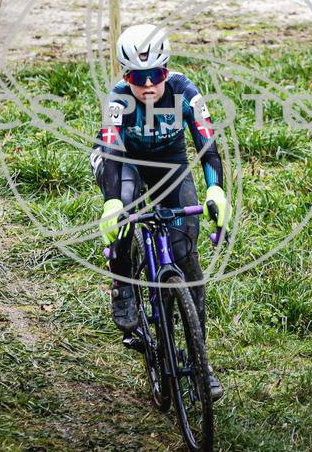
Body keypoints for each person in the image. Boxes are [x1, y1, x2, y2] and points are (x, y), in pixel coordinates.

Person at [90, 24, 232, 401]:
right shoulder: (118, 100)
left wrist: (216, 189)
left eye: (156, 74)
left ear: (167, 69)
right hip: (121, 161)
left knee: (186, 256)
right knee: (125, 206)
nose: (149, 85)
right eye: (139, 77)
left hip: (170, 163)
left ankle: (200, 364)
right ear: (126, 76)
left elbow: (208, 145)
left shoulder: (185, 92)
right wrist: (113, 203)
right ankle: (123, 284)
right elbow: (112, 153)